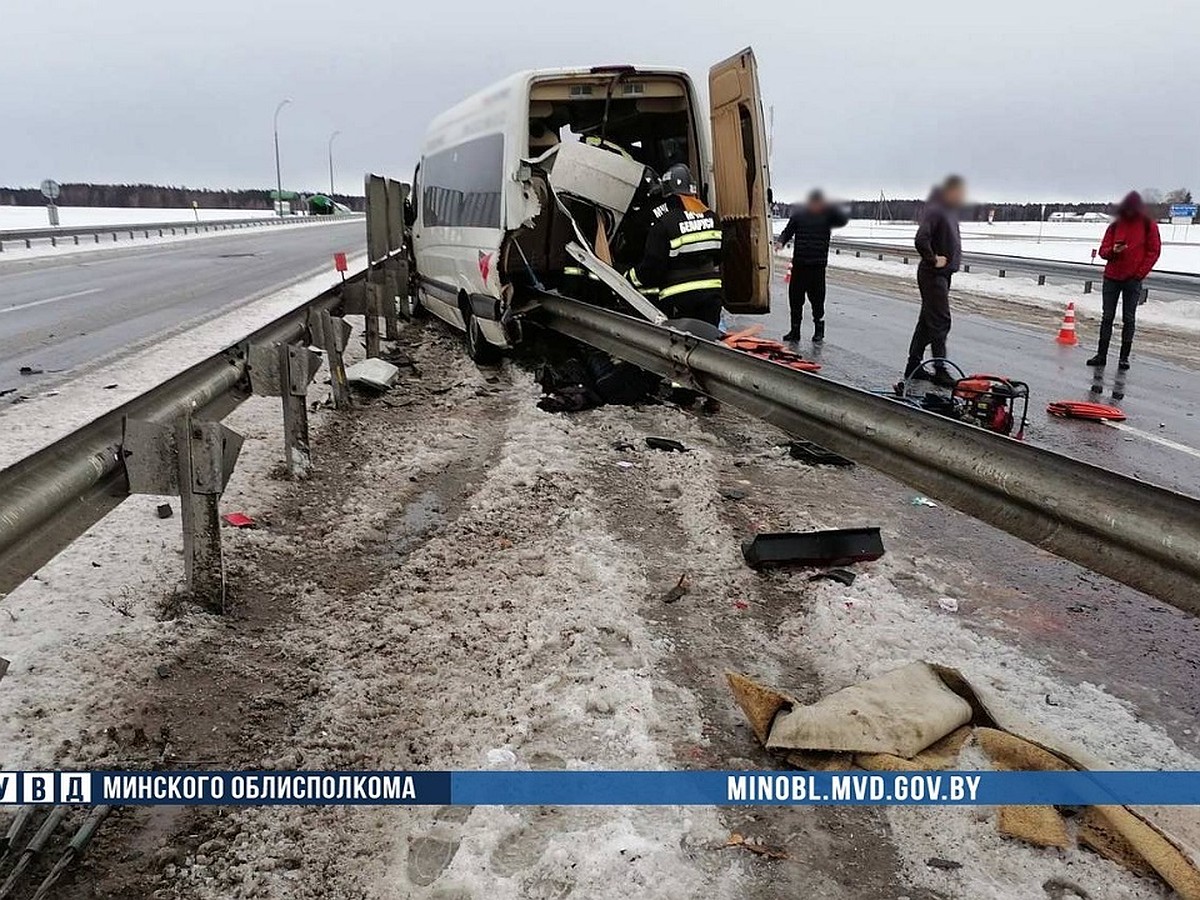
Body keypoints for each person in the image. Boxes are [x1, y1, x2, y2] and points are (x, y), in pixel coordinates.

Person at [627, 163, 724, 326]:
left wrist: (629, 277)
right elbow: (720, 256)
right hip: (711, 297)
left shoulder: (665, 224)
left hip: (679, 301)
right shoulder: (713, 218)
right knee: (708, 342)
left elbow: (652, 267)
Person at [905, 175, 966, 387]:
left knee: (927, 322)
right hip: (933, 275)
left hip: (943, 275)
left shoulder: (948, 211)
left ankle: (913, 365)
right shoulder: (937, 210)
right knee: (941, 320)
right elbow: (921, 239)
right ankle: (940, 369)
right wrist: (932, 259)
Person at [1089, 191, 1161, 370]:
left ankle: (1124, 358)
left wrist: (1139, 274)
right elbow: (1103, 251)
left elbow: (1154, 251)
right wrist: (1113, 250)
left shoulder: (1147, 225)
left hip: (1132, 279)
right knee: (1107, 317)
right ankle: (1101, 354)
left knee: (1129, 319)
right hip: (1112, 277)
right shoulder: (1115, 226)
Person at [775, 189, 849, 342]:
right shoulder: (799, 216)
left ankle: (819, 331)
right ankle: (795, 331)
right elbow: (788, 231)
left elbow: (842, 219)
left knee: (817, 302)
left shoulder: (828, 217)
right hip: (800, 265)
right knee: (795, 301)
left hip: (817, 267)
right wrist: (781, 241)